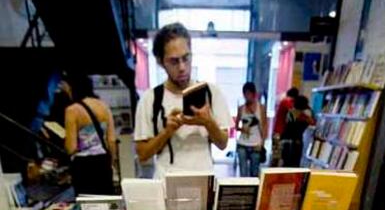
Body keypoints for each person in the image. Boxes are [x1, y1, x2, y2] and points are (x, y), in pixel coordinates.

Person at [134, 22, 232, 179]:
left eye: (186, 58)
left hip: (204, 181)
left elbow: (223, 143)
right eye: (174, 61)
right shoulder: (150, 99)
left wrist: (208, 122)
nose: (182, 67)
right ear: (160, 61)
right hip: (165, 183)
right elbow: (143, 154)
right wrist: (167, 131)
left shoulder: (211, 92)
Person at [64, 75, 116, 195]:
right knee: (106, 203)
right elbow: (112, 139)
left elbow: (71, 147)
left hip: (83, 165)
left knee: (88, 206)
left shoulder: (72, 110)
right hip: (102, 161)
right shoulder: (104, 106)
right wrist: (111, 161)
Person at [235, 82, 267, 177]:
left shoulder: (261, 108)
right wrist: (242, 129)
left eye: (248, 93)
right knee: (243, 172)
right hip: (242, 143)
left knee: (254, 172)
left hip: (256, 143)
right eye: (245, 93)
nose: (246, 96)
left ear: (253, 94)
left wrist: (262, 143)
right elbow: (236, 126)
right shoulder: (241, 108)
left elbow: (264, 125)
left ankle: (253, 191)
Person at [280, 94, 315, 167]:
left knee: (286, 164)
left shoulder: (291, 113)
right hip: (296, 142)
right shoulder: (303, 115)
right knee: (294, 164)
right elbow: (312, 122)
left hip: (286, 141)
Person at [271, 87, 298, 166]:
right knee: (277, 156)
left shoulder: (283, 101)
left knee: (276, 155)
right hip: (280, 133)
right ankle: (273, 174)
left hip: (277, 131)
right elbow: (294, 115)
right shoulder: (287, 101)